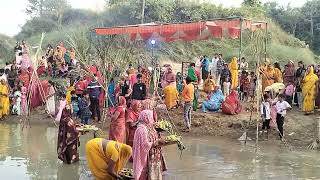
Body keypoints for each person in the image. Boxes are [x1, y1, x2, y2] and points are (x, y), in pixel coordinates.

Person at [133, 110, 169, 180]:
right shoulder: (141, 129)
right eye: (150, 117)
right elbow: (145, 145)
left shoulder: (150, 126)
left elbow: (156, 135)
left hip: (155, 155)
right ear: (146, 117)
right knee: (147, 174)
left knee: (155, 174)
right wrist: (156, 142)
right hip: (148, 156)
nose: (152, 118)